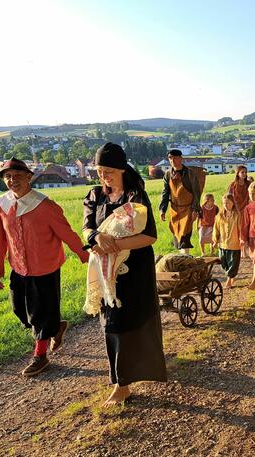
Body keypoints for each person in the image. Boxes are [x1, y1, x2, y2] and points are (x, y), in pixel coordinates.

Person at [83, 142, 167, 405]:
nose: (103, 177)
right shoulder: (95, 196)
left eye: (108, 171)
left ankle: (131, 375)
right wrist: (97, 235)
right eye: (99, 171)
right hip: (108, 274)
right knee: (112, 325)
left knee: (136, 321)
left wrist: (114, 244)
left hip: (135, 271)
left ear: (121, 169)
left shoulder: (135, 197)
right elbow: (86, 229)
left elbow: (149, 236)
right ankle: (122, 382)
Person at [0, 157, 89, 377]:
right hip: (18, 267)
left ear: (29, 177)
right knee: (20, 310)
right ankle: (56, 326)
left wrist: (85, 256)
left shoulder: (44, 205)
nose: (12, 180)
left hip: (45, 267)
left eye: (17, 176)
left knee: (38, 314)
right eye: (8, 176)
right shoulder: (1, 204)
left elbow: (67, 232)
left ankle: (40, 356)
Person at [159, 149, 201, 255]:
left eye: (176, 157)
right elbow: (165, 193)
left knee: (185, 235)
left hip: (188, 209)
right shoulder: (168, 175)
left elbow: (197, 192)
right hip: (174, 210)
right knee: (176, 234)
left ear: (181, 158)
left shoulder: (190, 174)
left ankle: (185, 257)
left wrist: (195, 209)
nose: (173, 160)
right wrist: (162, 209)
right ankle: (181, 259)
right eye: (170, 158)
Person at [212, 194, 242, 289]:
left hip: (234, 243)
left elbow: (241, 228)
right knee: (223, 261)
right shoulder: (219, 216)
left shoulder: (237, 215)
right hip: (223, 243)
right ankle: (231, 276)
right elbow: (216, 229)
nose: (226, 205)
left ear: (233, 203)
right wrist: (215, 240)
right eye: (224, 203)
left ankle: (229, 279)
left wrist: (241, 239)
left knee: (233, 263)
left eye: (228, 203)